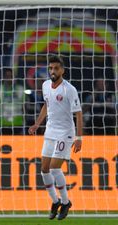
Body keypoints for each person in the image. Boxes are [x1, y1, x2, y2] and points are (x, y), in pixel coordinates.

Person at [28, 56, 83, 220]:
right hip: (50, 131)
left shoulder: (69, 89)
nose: (53, 71)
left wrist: (79, 137)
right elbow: (47, 104)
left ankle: (66, 202)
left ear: (62, 70)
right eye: (51, 68)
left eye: (56, 68)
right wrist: (38, 124)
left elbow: (78, 113)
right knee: (44, 169)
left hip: (65, 132)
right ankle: (55, 201)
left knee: (54, 168)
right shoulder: (45, 85)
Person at [0, 68, 25, 134]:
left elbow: (24, 106)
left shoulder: (21, 89)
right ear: (4, 77)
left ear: (14, 77)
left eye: (11, 76)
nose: (9, 78)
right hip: (2, 123)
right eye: (7, 76)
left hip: (17, 123)